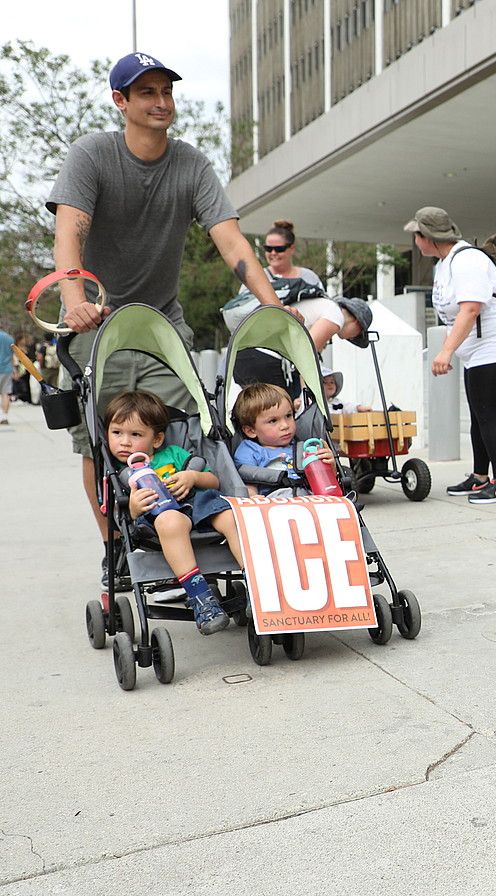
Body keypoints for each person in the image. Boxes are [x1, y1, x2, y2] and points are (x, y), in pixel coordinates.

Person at [47, 51, 296, 567]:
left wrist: (273, 307)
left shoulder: (191, 165)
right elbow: (69, 230)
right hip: (97, 326)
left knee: (188, 433)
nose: (161, 102)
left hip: (163, 327)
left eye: (166, 92)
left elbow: (232, 243)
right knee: (99, 444)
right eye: (147, 93)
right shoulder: (92, 155)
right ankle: (115, 552)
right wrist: (74, 302)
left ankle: (190, 533)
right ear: (121, 101)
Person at [406, 206, 496, 505]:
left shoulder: (468, 260)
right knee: (479, 414)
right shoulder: (447, 262)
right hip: (477, 349)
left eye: (416, 235)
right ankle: (480, 477)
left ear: (429, 237)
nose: (415, 241)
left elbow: (471, 308)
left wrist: (446, 351)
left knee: (488, 413)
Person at [106, 391, 244, 635]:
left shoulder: (175, 454)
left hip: (200, 504)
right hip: (161, 516)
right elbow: (120, 515)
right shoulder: (118, 473)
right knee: (171, 521)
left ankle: (256, 585)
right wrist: (135, 505)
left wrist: (192, 476)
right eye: (117, 433)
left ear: (157, 439)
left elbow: (214, 481)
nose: (124, 442)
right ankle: (200, 596)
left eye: (135, 434)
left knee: (232, 516)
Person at [229, 220, 373, 397]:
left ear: (291, 249)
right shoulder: (335, 314)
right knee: (279, 416)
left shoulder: (308, 281)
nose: (273, 253)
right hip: (269, 358)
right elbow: (305, 355)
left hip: (244, 352)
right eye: (268, 249)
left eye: (279, 249)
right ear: (357, 323)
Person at [231, 382, 335, 495]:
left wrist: (330, 465)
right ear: (251, 431)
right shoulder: (250, 450)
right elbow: (248, 481)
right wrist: (253, 497)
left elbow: (325, 484)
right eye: (273, 421)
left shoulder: (303, 448)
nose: (285, 425)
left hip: (309, 496)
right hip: (275, 500)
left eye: (289, 416)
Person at [0, 327, 12, 424]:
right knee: (5, 393)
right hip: (7, 368)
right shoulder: (9, 338)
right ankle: (4, 416)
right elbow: (13, 353)